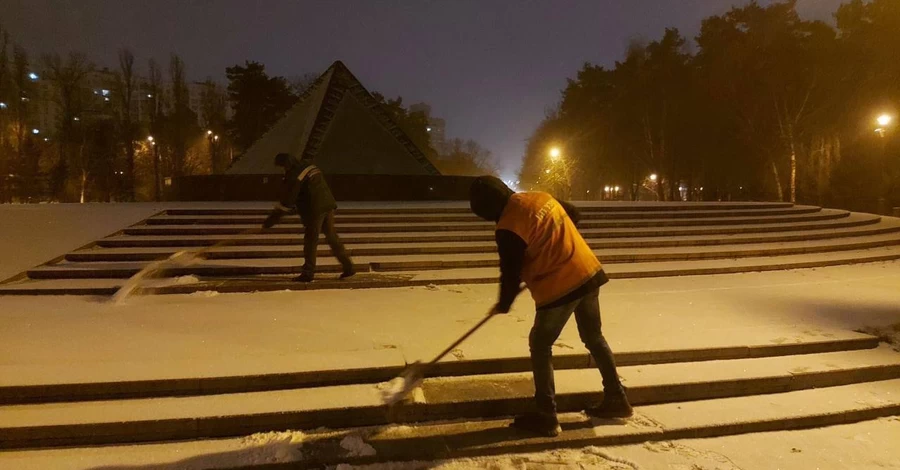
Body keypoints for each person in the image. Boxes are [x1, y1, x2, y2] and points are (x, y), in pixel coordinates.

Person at [469, 175, 631, 437]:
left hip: (560, 285)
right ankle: (617, 398)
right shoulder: (539, 197)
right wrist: (554, 243)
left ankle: (546, 415)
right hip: (587, 271)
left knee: (540, 344)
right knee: (593, 336)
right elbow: (574, 214)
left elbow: (510, 271)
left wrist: (504, 302)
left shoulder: (509, 226)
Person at [262, 153, 354, 282]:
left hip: (314, 209)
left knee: (311, 241)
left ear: (286, 164)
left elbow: (287, 201)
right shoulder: (308, 165)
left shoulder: (294, 176)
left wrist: (271, 221)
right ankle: (348, 266)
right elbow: (308, 189)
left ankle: (308, 273)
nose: (282, 170)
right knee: (332, 237)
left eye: (281, 167)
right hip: (327, 205)